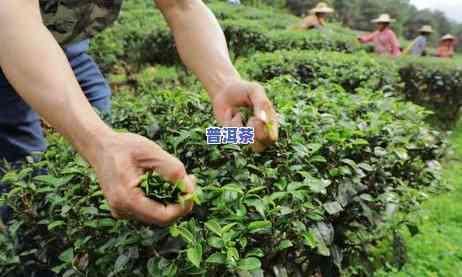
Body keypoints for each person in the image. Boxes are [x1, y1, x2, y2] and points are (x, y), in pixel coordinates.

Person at [0, 0, 279, 227]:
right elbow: (11, 17)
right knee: (28, 164)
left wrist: (224, 83)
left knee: (105, 123)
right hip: (11, 35)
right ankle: (31, 247)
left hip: (66, 42)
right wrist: (97, 142)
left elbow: (181, 6)